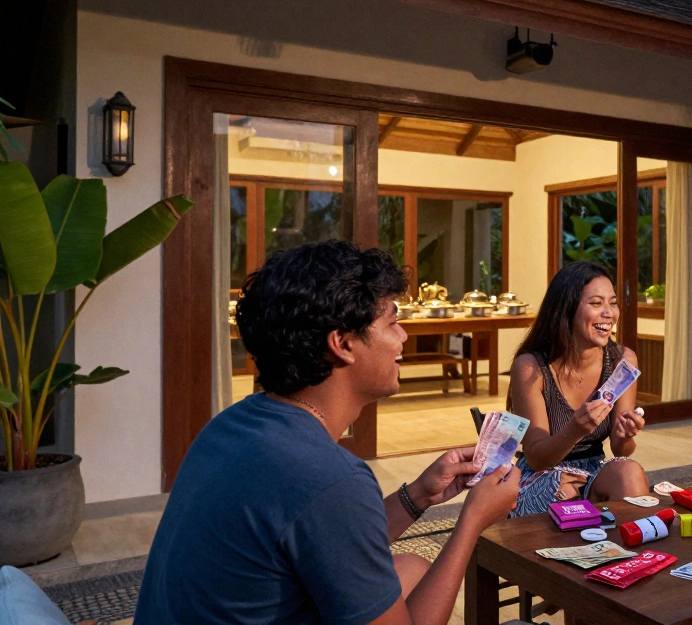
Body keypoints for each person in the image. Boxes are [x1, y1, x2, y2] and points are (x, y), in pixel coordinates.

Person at [135, 241, 519, 625]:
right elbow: (325, 502)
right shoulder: (331, 476)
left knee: (412, 569)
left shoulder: (232, 423)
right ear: (343, 344)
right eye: (392, 322)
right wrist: (471, 523)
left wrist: (418, 494)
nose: (404, 337)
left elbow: (321, 532)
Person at [507, 260, 649, 517]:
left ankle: (638, 549)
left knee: (628, 470)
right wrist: (575, 430)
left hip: (592, 472)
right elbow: (537, 457)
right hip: (540, 475)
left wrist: (627, 434)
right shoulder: (531, 367)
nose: (609, 313)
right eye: (596, 303)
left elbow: (620, 449)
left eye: (612, 302)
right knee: (565, 491)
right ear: (567, 309)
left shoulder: (622, 361)